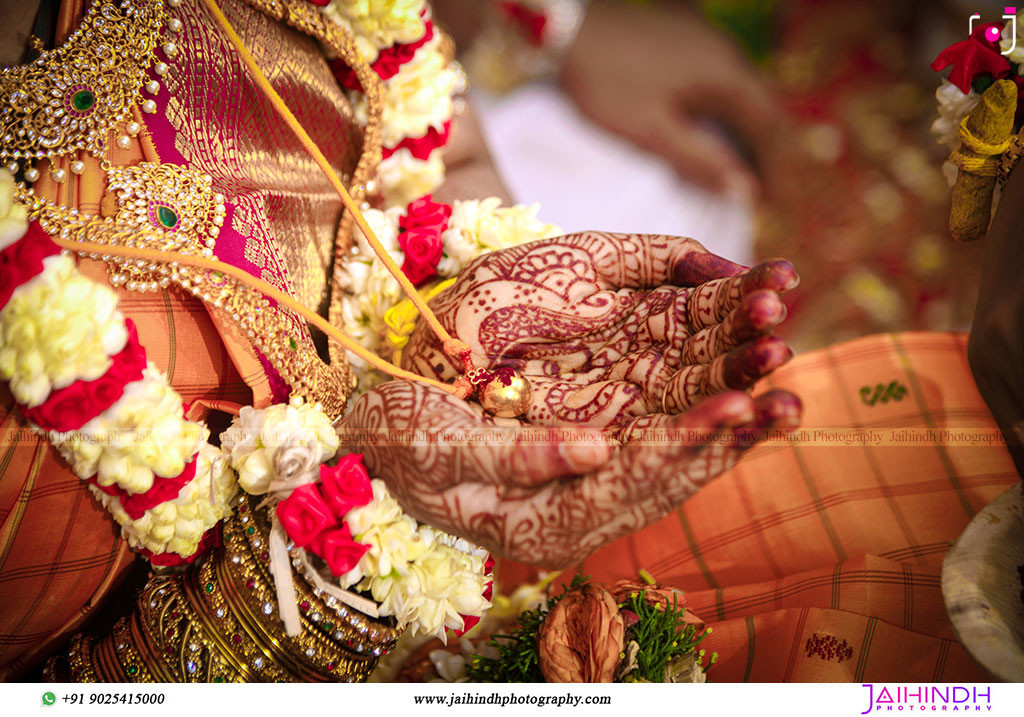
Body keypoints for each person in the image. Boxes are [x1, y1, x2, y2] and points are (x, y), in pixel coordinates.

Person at [0, 0, 798, 680]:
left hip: (431, 356)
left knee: (693, 189)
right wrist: (356, 525)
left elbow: (432, 132)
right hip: (294, 620)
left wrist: (557, 28)